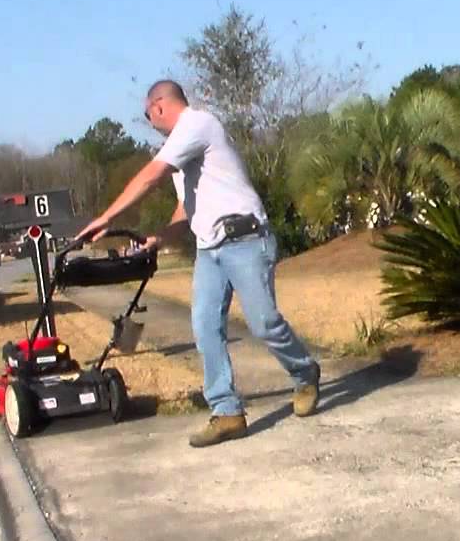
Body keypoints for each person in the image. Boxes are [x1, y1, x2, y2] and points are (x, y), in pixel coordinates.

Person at [76, 80, 320, 447]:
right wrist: (159, 237)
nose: (149, 120)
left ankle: (305, 373)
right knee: (205, 327)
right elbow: (185, 210)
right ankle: (227, 412)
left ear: (159, 106)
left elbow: (149, 176)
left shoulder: (198, 124)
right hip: (211, 249)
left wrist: (106, 218)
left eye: (146, 114)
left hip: (246, 239)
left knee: (264, 322)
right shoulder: (180, 149)